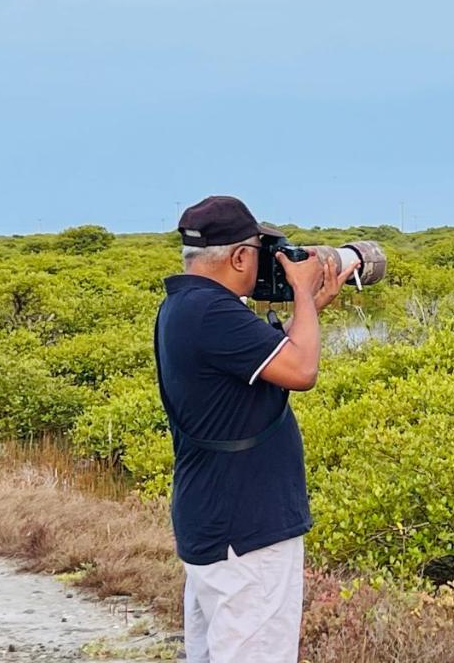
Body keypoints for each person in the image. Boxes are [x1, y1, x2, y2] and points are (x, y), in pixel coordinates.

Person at [153, 195, 358, 662]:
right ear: (240, 256)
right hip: (247, 531)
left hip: (214, 520)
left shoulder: (185, 305)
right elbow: (303, 372)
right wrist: (302, 291)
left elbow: (269, 361)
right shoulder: (214, 312)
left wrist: (311, 308)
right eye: (261, 253)